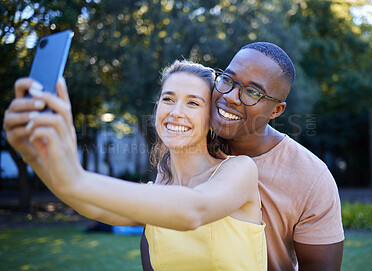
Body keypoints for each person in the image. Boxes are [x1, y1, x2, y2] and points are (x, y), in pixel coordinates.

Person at [3, 60, 267, 270]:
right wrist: (37, 158)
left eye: (193, 103)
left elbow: (193, 210)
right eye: (168, 99)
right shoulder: (156, 191)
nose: (175, 111)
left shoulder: (239, 170)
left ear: (211, 119)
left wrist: (76, 176)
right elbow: (89, 204)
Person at [138, 42, 345, 271]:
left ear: (276, 111)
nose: (232, 97)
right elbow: (155, 238)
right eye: (227, 79)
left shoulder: (311, 177)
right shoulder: (189, 145)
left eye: (253, 92)